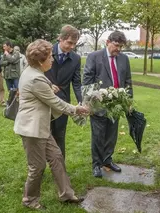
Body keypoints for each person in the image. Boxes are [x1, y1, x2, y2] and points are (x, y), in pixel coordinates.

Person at [14, 39, 88, 210]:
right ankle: (30, 200)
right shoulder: (35, 79)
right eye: (50, 57)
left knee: (56, 157)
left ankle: (66, 194)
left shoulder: (34, 72)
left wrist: (50, 86)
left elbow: (42, 87)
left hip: (41, 127)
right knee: (37, 167)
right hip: (32, 130)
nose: (53, 60)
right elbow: (57, 103)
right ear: (41, 61)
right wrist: (77, 109)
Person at [83, 31, 133, 178]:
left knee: (111, 135)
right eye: (116, 45)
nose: (118, 49)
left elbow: (128, 81)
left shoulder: (124, 59)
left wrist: (128, 102)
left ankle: (107, 160)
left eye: (121, 46)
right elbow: (87, 80)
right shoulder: (94, 57)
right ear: (107, 42)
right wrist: (89, 103)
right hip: (98, 104)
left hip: (116, 105)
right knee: (98, 135)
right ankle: (96, 165)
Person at [44, 25, 82, 159]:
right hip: (43, 101)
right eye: (69, 43)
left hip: (63, 103)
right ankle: (40, 167)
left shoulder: (76, 59)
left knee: (60, 135)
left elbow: (76, 82)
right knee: (42, 136)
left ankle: (60, 168)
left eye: (75, 44)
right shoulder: (46, 51)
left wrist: (81, 101)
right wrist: (47, 85)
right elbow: (34, 73)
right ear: (60, 38)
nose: (72, 47)